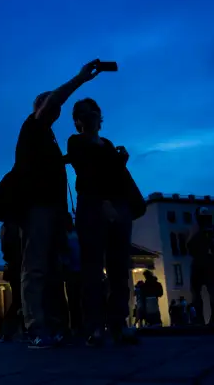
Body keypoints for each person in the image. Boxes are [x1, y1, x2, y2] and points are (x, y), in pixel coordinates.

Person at [0, 60, 104, 349]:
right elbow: (54, 100)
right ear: (40, 108)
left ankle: (56, 326)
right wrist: (79, 79)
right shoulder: (33, 126)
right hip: (37, 208)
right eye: (49, 104)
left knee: (54, 270)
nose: (57, 109)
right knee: (36, 266)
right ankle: (36, 327)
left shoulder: (47, 136)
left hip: (53, 210)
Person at [66, 97, 137, 346]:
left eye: (92, 111)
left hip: (117, 206)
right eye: (84, 113)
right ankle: (95, 326)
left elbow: (113, 176)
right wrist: (104, 201)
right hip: (93, 206)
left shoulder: (107, 144)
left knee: (118, 267)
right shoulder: (76, 142)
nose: (90, 116)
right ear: (78, 121)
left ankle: (118, 323)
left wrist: (121, 162)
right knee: (92, 268)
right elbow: (86, 173)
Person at [187, 206, 214, 325]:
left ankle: (200, 318)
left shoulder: (197, 228)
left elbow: (190, 245)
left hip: (200, 262)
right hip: (213, 262)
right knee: (212, 290)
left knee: (196, 290)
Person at [0, 222, 23, 342]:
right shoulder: (15, 226)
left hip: (15, 266)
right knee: (19, 300)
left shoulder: (5, 227)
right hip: (19, 266)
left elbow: (4, 249)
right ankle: (9, 330)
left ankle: (12, 330)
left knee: (18, 300)